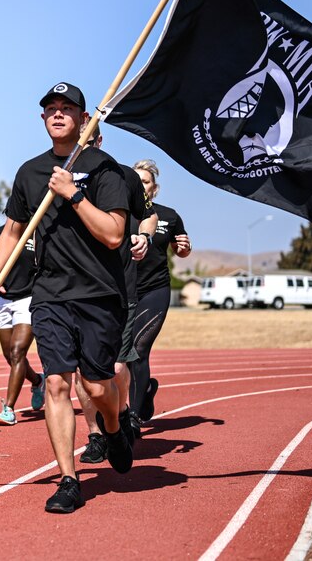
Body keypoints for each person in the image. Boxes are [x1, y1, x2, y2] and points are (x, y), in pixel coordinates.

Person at [0, 81, 133, 515]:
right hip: (49, 294)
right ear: (43, 118)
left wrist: (73, 193)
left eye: (68, 108)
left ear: (85, 119)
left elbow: (113, 233)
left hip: (100, 292)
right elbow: (12, 231)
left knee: (97, 385)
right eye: (51, 108)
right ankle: (69, 479)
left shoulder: (107, 170)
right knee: (57, 382)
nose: (58, 113)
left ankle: (115, 426)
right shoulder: (30, 172)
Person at [74, 125, 156, 462]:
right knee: (81, 372)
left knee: (118, 368)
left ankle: (120, 413)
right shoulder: (52, 177)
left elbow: (148, 216)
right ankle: (95, 435)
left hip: (118, 288)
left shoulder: (123, 176)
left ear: (99, 140)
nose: (84, 146)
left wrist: (145, 237)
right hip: (72, 290)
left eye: (89, 140)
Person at [128, 159, 191, 426]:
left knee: (138, 349)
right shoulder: (118, 213)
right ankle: (145, 391)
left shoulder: (169, 215)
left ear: (154, 188)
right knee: (120, 355)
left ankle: (132, 416)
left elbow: (181, 249)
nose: (141, 186)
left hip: (155, 289)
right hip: (123, 290)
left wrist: (184, 248)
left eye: (146, 181)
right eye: (137, 181)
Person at [0, 224, 45, 426]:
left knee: (17, 352)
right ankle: (37, 381)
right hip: (1, 299)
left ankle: (9, 408)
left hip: (29, 298)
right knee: (10, 356)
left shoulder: (37, 233)